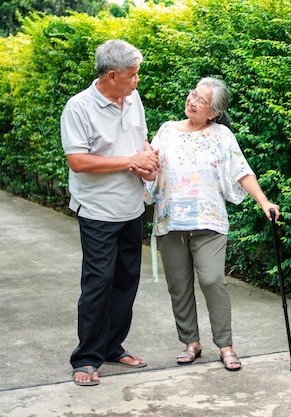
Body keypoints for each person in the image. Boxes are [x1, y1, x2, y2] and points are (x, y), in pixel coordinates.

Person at [139, 77, 279, 371]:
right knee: (179, 286)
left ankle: (225, 345)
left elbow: (242, 171)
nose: (192, 101)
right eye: (193, 95)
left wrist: (264, 201)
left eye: (201, 101)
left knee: (212, 280)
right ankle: (191, 343)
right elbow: (150, 168)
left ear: (213, 112)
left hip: (209, 222)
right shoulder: (166, 131)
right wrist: (146, 170)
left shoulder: (221, 136)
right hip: (170, 221)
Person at [60, 39, 159, 386]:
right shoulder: (79, 108)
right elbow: (79, 161)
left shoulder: (133, 99)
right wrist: (130, 160)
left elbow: (142, 143)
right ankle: (86, 358)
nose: (137, 82)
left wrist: (148, 164)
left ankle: (112, 346)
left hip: (132, 209)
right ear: (112, 75)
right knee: (98, 284)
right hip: (98, 212)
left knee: (125, 284)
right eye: (132, 76)